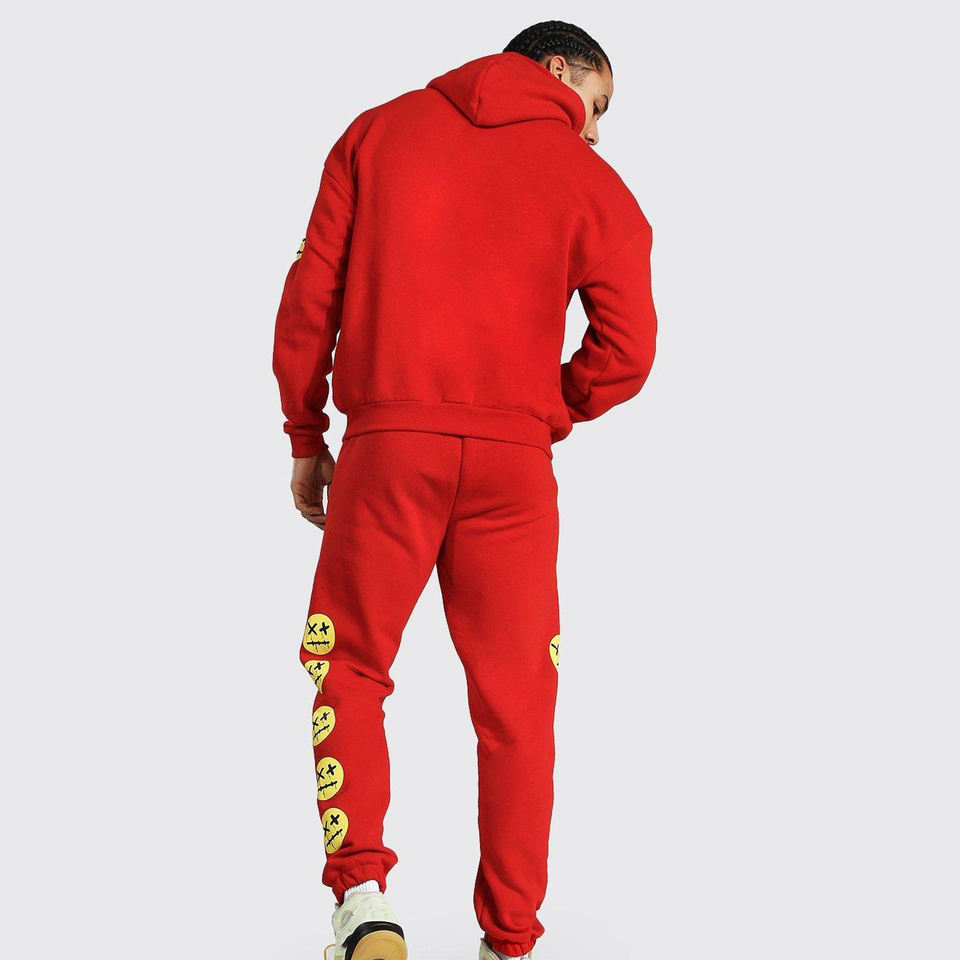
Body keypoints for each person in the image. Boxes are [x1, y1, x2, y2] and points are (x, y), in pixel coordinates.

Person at [272, 20, 658, 960]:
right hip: (512, 473)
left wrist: (306, 434)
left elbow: (311, 296)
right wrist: (541, 408)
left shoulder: (376, 133)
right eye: (596, 104)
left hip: (387, 449)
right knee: (517, 705)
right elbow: (629, 349)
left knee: (349, 665)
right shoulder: (593, 184)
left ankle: (364, 904)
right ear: (557, 70)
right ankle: (510, 940)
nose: (596, 129)